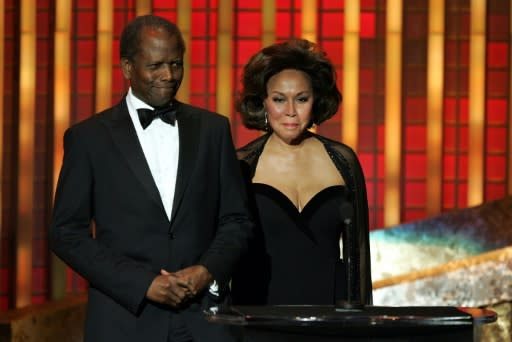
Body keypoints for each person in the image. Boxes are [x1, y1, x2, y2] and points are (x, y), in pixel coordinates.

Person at [49, 15, 253, 342]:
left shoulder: (213, 129)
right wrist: (143, 284)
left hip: (204, 321)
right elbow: (66, 233)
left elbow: (236, 219)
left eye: (176, 64)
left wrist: (207, 271)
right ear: (127, 67)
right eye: (155, 65)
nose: (169, 76)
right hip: (124, 321)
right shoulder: (88, 138)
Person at [231, 39, 372, 306]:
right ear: (263, 102)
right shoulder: (242, 164)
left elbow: (358, 255)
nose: (291, 112)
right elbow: (225, 250)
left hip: (331, 317)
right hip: (259, 314)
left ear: (315, 101)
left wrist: (360, 322)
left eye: (302, 99)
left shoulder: (343, 160)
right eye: (279, 99)